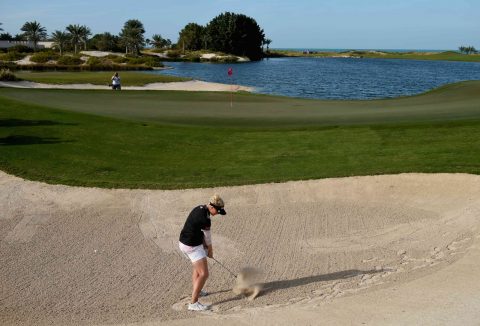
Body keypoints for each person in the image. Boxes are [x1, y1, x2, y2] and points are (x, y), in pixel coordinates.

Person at [179, 194, 227, 311]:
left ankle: (198, 290)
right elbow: (208, 238)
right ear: (211, 207)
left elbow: (198, 231)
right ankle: (193, 303)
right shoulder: (205, 219)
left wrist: (204, 247)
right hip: (191, 246)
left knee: (197, 270)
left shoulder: (199, 208)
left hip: (185, 243)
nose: (217, 213)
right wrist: (209, 251)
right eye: (217, 211)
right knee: (204, 274)